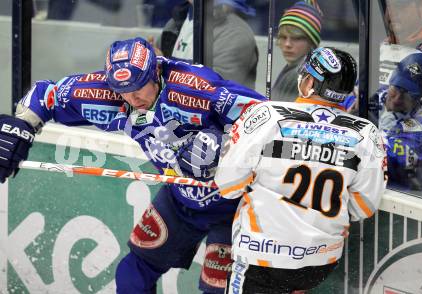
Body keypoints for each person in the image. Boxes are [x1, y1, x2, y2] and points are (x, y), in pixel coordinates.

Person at [0, 37, 267, 293]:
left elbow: (267, 116)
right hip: (180, 198)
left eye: (139, 87)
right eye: (123, 92)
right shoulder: (110, 94)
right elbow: (47, 94)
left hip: (233, 204)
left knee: (219, 287)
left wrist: (225, 144)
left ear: (155, 72)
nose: (132, 98)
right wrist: (21, 125)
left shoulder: (194, 87)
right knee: (132, 275)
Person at [215, 47, 387, 293]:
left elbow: (228, 186)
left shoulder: (266, 115)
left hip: (262, 260)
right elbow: (363, 206)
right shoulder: (367, 132)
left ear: (309, 82)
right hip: (318, 265)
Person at [158, 0, 258, 89]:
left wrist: (162, 68)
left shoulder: (236, 32)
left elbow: (213, 90)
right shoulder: (174, 22)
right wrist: (152, 60)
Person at [379, 52, 422, 191]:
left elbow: (388, 159)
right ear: (391, 80)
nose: (398, 98)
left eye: (407, 94)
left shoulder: (419, 130)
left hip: (394, 196)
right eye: (397, 88)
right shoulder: (368, 96)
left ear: (421, 95)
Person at [271, 0, 323, 102]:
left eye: (297, 38)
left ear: (311, 42)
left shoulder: (300, 74)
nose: (287, 44)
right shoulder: (303, 67)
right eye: (283, 37)